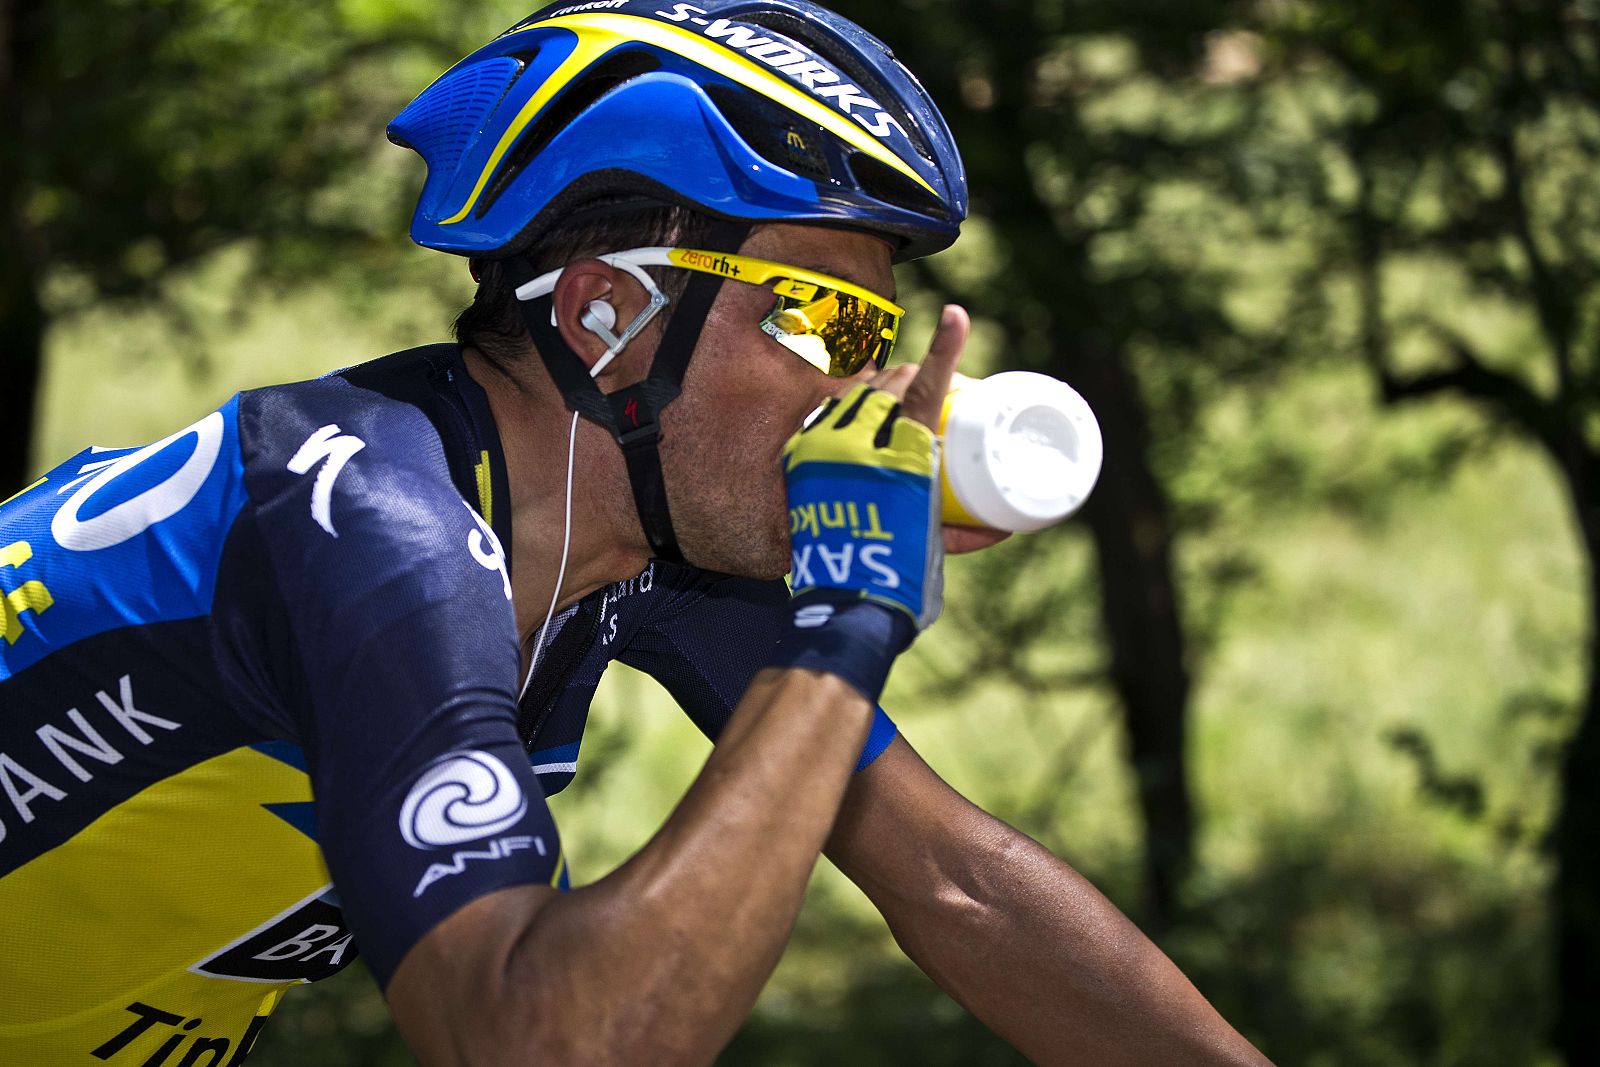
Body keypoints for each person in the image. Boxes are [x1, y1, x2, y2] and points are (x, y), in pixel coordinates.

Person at [0, 2, 1272, 1064]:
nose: (864, 392)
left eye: (873, 343)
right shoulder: (375, 528)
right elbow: (525, 1036)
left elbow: (960, 886)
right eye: (822, 323)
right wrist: (843, 633)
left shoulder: (641, 539)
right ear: (610, 315)